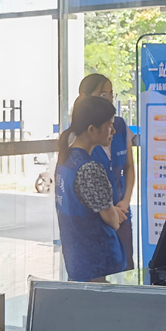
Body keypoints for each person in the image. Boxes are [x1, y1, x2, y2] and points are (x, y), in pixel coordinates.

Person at [55, 95, 125, 282]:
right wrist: (115, 212)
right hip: (97, 263)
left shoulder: (65, 160)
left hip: (77, 259)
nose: (113, 131)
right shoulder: (89, 168)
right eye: (109, 125)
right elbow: (112, 220)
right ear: (92, 129)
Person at [77, 74, 135, 271]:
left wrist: (125, 202)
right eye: (103, 94)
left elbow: (129, 167)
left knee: (126, 268)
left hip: (122, 212)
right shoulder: (79, 141)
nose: (109, 99)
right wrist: (110, 212)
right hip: (97, 220)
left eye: (111, 94)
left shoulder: (119, 126)